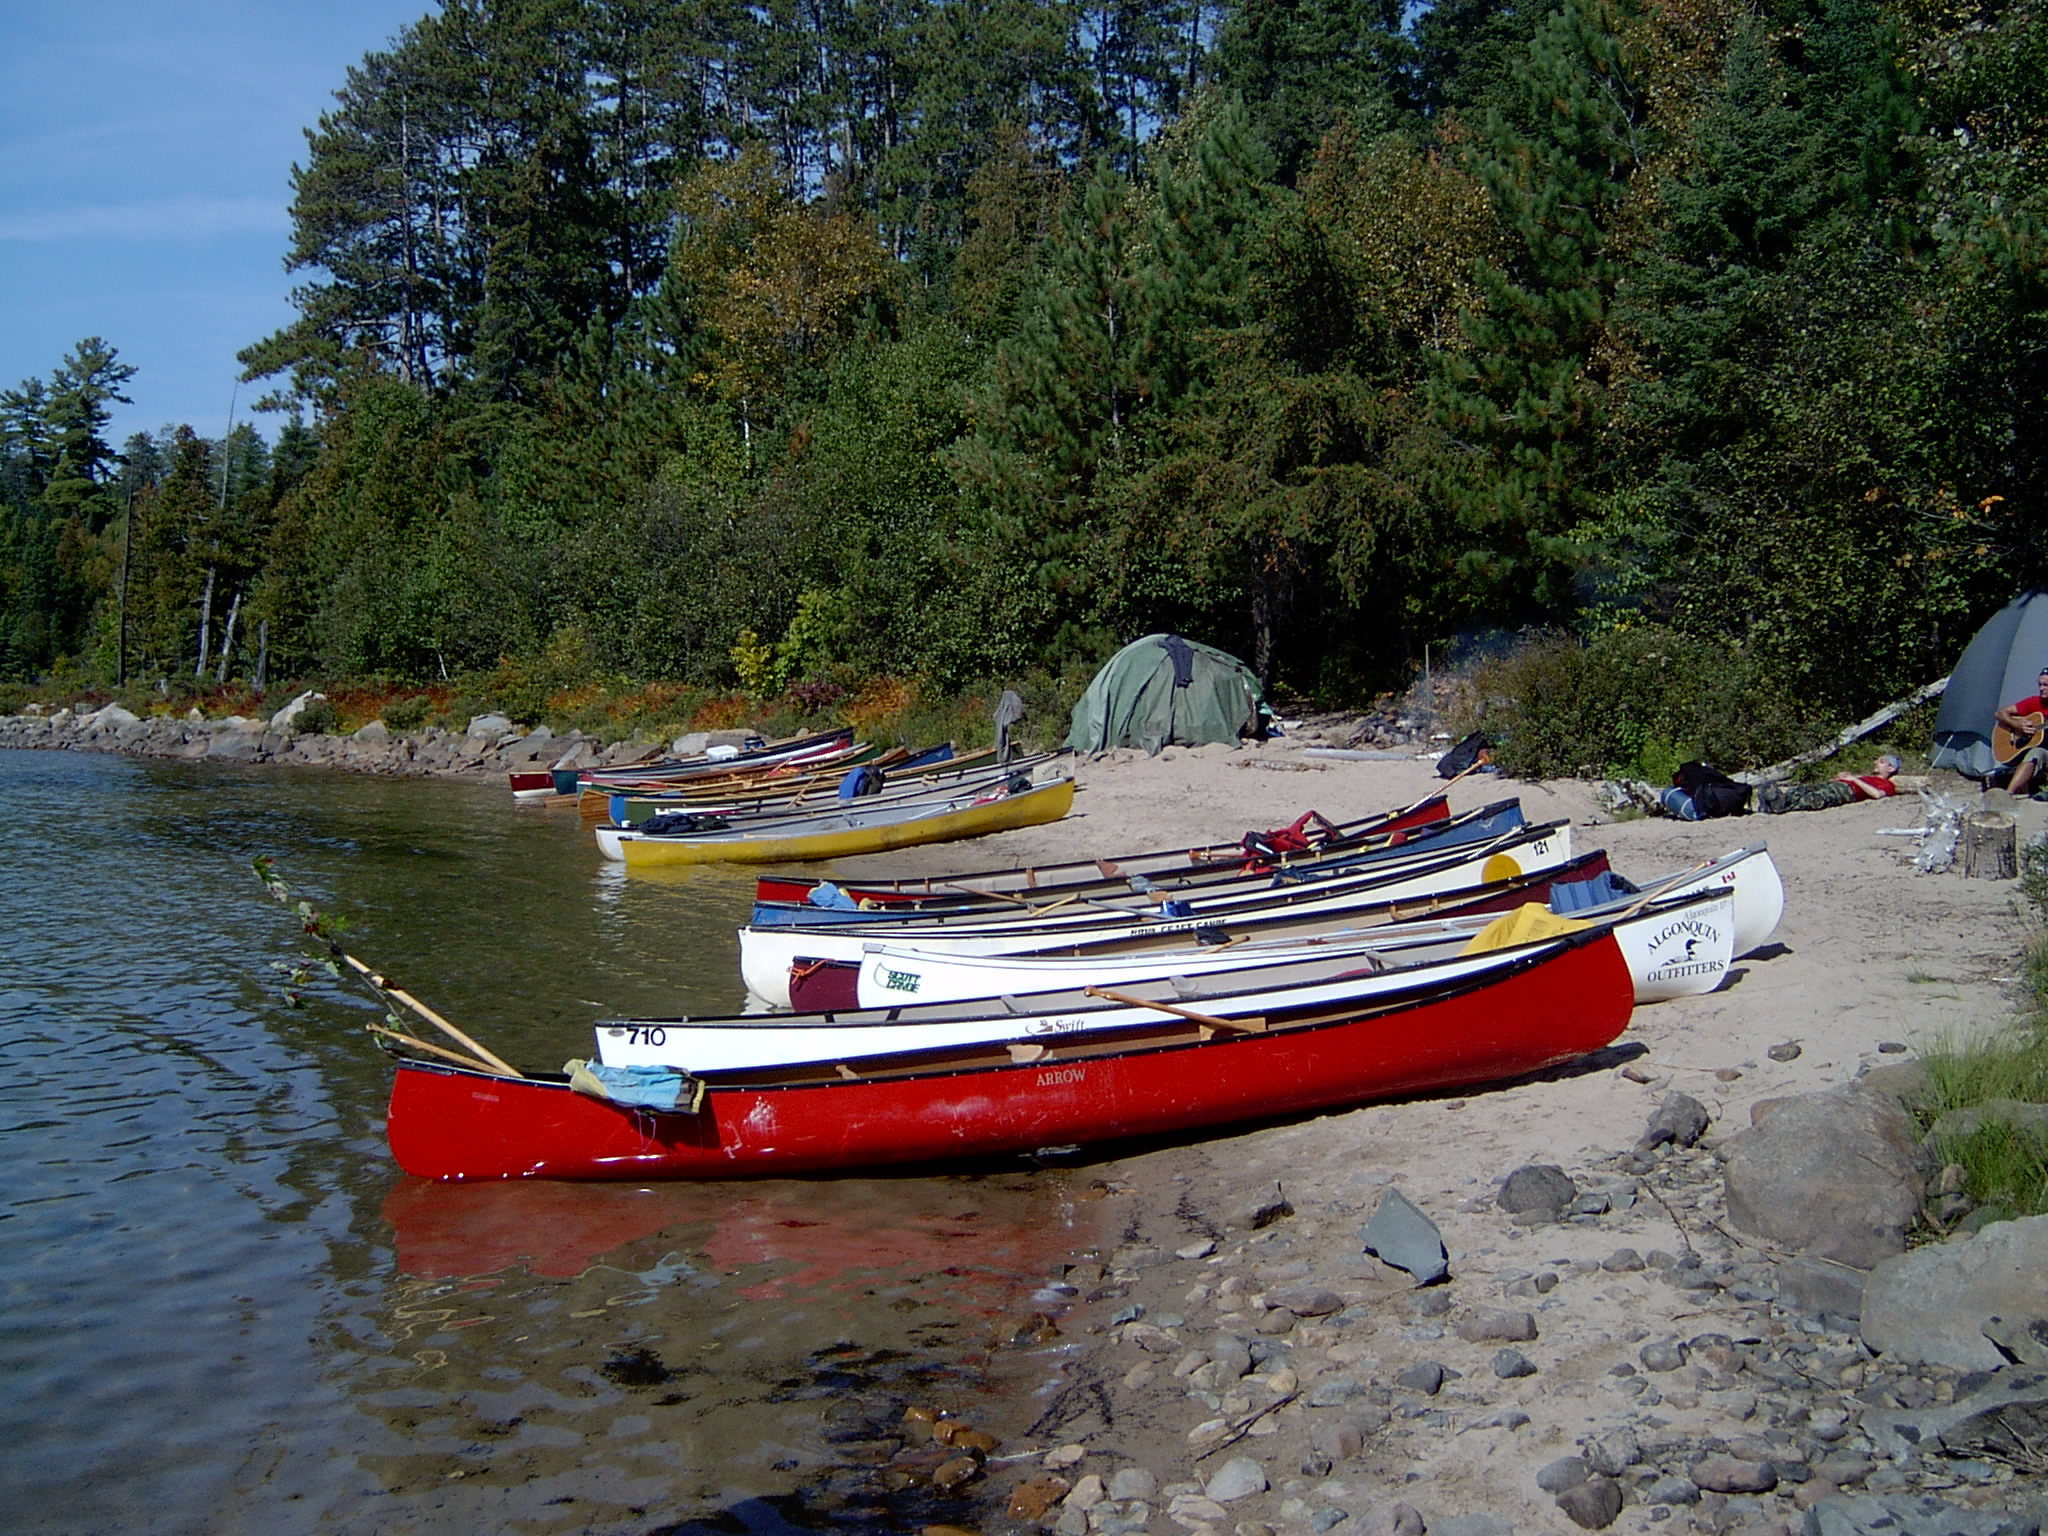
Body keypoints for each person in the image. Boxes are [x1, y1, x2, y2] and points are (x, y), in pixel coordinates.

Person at [1754, 754, 1901, 814]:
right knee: (1799, 790)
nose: (1876, 763)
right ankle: (1771, 802)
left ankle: (1776, 804)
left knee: (1812, 800)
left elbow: (1877, 794)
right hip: (1836, 785)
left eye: (1881, 762)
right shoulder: (1868, 777)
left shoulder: (1887, 784)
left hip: (1846, 791)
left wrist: (1854, 779)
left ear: (1891, 768)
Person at [1994, 667, 2048, 796]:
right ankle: (2008, 794)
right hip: (2032, 751)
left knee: (2036, 753)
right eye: (2040, 685)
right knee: (2034, 754)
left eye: (2046, 685)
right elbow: (2000, 713)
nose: (2041, 688)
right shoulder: (2034, 702)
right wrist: (2016, 724)